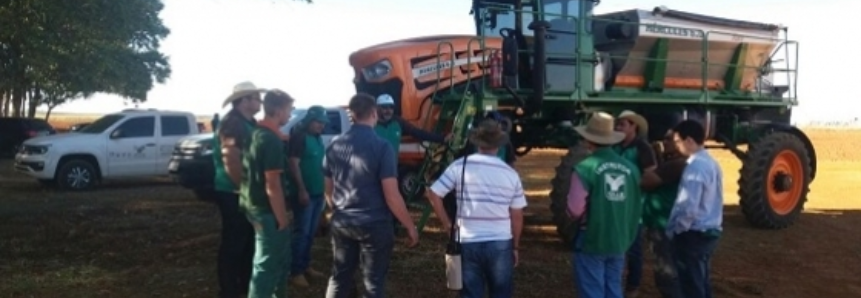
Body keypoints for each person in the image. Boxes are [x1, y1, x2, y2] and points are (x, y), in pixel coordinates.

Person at [323, 93, 420, 298]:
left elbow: (328, 188)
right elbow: (392, 195)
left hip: (343, 221)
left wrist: (337, 211)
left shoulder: (334, 144)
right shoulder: (382, 147)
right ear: (374, 113)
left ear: (352, 115)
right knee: (373, 282)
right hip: (374, 223)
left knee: (340, 277)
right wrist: (410, 226)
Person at [426, 118, 526, 298]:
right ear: (498, 145)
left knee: (470, 293)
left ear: (477, 143)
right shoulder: (511, 174)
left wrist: (447, 224)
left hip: (467, 240)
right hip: (500, 242)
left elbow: (434, 193)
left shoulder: (460, 166)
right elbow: (517, 215)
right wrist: (515, 246)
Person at [566, 112, 642, 298]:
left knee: (592, 290)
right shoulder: (631, 169)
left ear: (588, 140)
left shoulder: (585, 168)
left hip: (592, 237)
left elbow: (574, 210)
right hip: (620, 238)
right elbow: (635, 206)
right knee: (613, 287)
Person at [240, 90, 296, 298]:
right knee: (267, 265)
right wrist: (282, 219)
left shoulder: (256, 133)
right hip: (266, 209)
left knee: (279, 260)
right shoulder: (270, 140)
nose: (290, 115)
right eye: (289, 110)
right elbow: (272, 184)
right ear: (279, 110)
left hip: (254, 205)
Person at [211, 81, 264, 298]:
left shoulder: (250, 122)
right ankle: (229, 291)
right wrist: (244, 190)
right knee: (234, 242)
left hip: (246, 191)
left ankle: (243, 286)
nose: (260, 102)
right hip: (234, 192)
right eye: (256, 98)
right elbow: (231, 159)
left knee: (248, 241)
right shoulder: (232, 124)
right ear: (244, 101)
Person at [666, 120, 723, 298]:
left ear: (689, 140)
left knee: (691, 285)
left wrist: (677, 230)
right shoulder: (712, 163)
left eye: (677, 141)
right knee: (702, 282)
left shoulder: (695, 167)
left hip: (693, 234)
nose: (676, 146)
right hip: (709, 231)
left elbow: (688, 206)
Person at [613, 110, 657, 298]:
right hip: (615, 204)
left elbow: (651, 174)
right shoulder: (615, 146)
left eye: (623, 124)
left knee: (634, 248)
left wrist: (633, 186)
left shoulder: (643, 148)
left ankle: (633, 286)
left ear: (634, 127)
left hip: (635, 207)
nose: (618, 128)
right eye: (618, 124)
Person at [640, 130, 688, 298]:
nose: (664, 142)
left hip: (663, 223)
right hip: (673, 222)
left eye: (669, 139)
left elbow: (647, 181)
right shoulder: (680, 163)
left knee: (666, 273)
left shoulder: (677, 164)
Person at [287, 105, 329, 287]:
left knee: (311, 233)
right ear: (310, 121)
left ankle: (305, 265)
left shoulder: (318, 138)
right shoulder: (299, 137)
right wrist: (301, 189)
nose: (322, 126)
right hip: (305, 194)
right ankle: (295, 271)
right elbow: (293, 164)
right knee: (302, 233)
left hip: (318, 193)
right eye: (319, 122)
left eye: (323, 123)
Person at [374, 93, 450, 163]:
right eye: (384, 107)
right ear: (377, 108)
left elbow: (418, 133)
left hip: (391, 167)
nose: (388, 111)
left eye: (391, 107)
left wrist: (442, 138)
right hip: (372, 168)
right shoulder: (370, 124)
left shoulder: (398, 122)